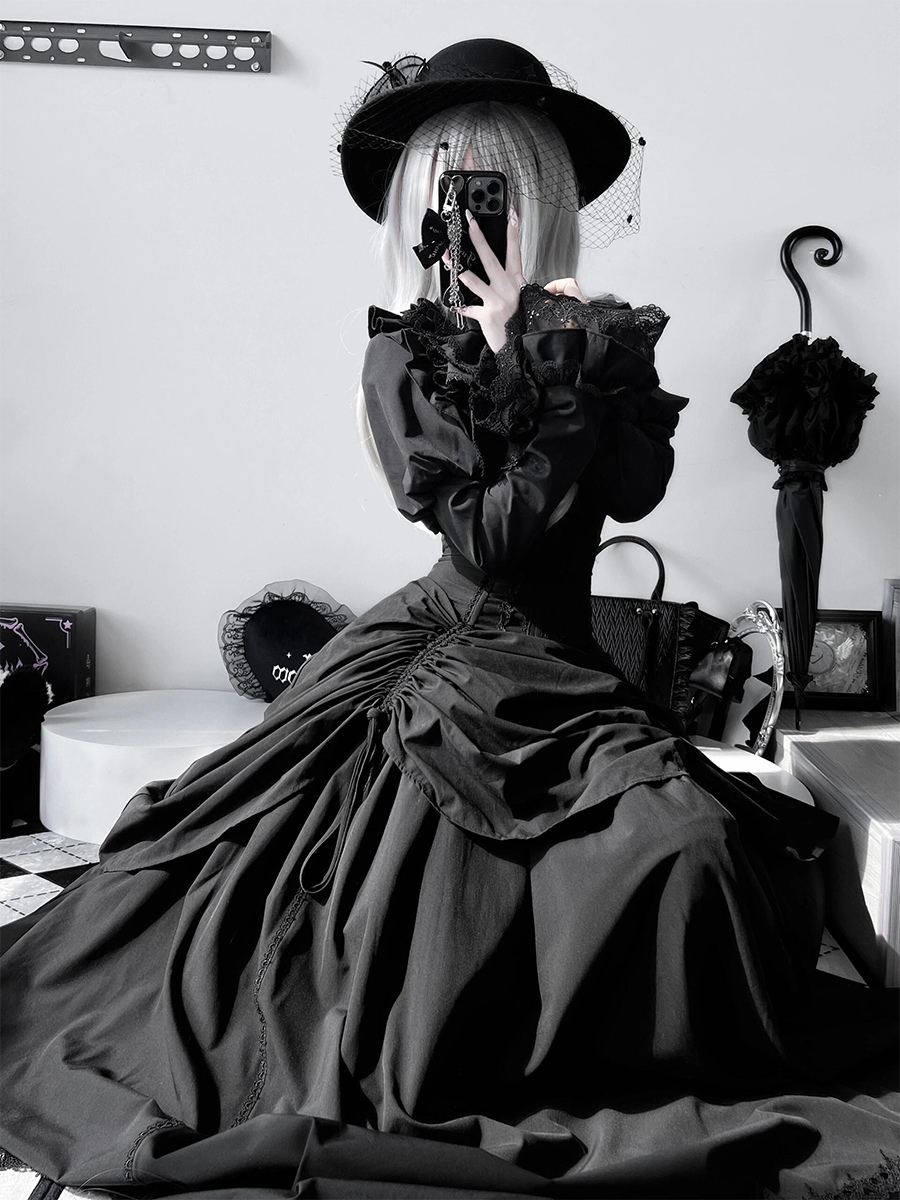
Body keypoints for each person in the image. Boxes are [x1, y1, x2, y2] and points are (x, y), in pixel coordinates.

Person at [1, 38, 897, 1200]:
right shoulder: (408, 355)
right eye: (460, 188)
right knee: (394, 920)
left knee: (693, 854)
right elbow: (490, 539)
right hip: (446, 649)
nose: (482, 212)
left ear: (548, 203)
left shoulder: (603, 335)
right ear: (422, 206)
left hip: (565, 661)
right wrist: (527, 357)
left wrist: (554, 338)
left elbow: (634, 490)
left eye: (508, 188)